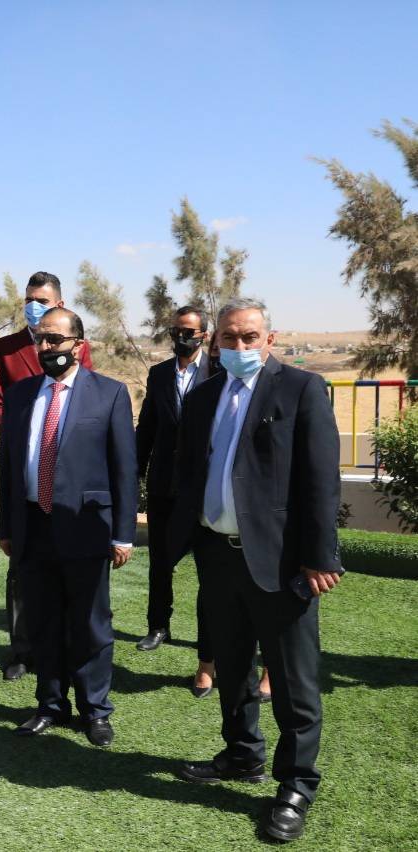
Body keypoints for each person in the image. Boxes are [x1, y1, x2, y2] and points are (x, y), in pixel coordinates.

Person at [170, 298, 343, 843]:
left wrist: (320, 555)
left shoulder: (301, 389)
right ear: (215, 342)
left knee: (293, 682)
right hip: (218, 557)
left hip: (281, 562)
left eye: (249, 337)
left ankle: (296, 785)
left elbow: (321, 480)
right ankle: (243, 754)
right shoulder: (204, 396)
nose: (239, 346)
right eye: (229, 338)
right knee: (233, 666)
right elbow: (190, 469)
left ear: (270, 339)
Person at [0, 307, 137, 747]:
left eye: (55, 339)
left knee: (91, 624)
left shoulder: (109, 394)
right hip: (33, 527)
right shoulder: (20, 395)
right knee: (43, 622)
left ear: (79, 344)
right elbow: (7, 466)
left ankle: (95, 710)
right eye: (40, 339)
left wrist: (123, 533)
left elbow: (124, 469)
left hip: (86, 528)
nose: (46, 347)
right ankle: (50, 705)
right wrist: (6, 526)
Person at [0, 271, 94, 681]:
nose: (34, 306)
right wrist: (30, 435)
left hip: (66, 476)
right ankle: (22, 650)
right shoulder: (3, 349)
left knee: (67, 572)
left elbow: (86, 397)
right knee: (21, 572)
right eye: (29, 299)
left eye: (42, 300)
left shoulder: (77, 345)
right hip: (25, 469)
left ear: (60, 304)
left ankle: (65, 648)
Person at [134, 307, 215, 697]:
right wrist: (134, 471)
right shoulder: (159, 374)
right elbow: (148, 425)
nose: (181, 337)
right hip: (164, 484)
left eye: (189, 332)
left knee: (208, 571)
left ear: (203, 335)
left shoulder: (217, 372)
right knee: (161, 561)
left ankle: (208, 645)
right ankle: (158, 626)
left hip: (203, 488)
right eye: (177, 331)